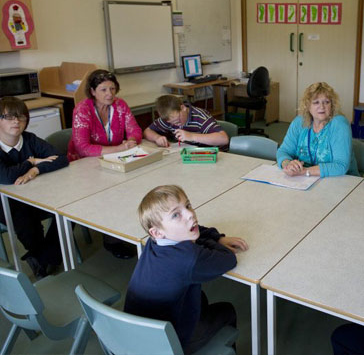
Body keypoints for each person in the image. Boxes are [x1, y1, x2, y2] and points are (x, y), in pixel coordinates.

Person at [124, 184, 248, 354]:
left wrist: (215, 237)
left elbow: (195, 231)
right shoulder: (189, 258)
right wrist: (210, 243)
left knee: (199, 297)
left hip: (132, 335)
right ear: (157, 232)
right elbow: (228, 259)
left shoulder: (152, 243)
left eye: (188, 205)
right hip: (170, 343)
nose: (190, 214)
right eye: (176, 214)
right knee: (227, 309)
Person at [67, 69, 143, 258]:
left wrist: (132, 140)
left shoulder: (120, 105)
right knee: (108, 194)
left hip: (113, 162)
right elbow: (83, 148)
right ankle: (111, 240)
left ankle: (117, 235)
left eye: (112, 88)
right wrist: (119, 148)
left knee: (129, 188)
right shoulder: (82, 110)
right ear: (92, 91)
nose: (109, 94)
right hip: (83, 165)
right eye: (103, 90)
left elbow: (134, 129)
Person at [0, 97, 69, 279]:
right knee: (24, 216)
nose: (16, 121)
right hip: (4, 204)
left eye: (21, 117)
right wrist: (30, 161)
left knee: (68, 207)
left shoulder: (29, 139)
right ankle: (44, 256)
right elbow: (6, 177)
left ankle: (43, 257)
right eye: (9, 117)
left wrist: (35, 170)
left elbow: (61, 158)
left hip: (36, 195)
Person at [276, 82, 359, 177]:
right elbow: (283, 151)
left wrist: (305, 171)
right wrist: (287, 164)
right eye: (316, 102)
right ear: (307, 106)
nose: (322, 107)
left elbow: (341, 166)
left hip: (342, 180)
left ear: (332, 105)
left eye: (326, 102)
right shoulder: (299, 122)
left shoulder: (339, 124)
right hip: (304, 180)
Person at [143, 95, 229, 150]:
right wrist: (157, 138)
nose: (176, 125)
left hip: (212, 155)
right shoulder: (169, 117)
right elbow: (147, 131)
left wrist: (191, 136)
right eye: (172, 123)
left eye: (178, 120)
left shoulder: (200, 117)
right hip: (188, 155)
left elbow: (223, 139)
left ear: (183, 108)